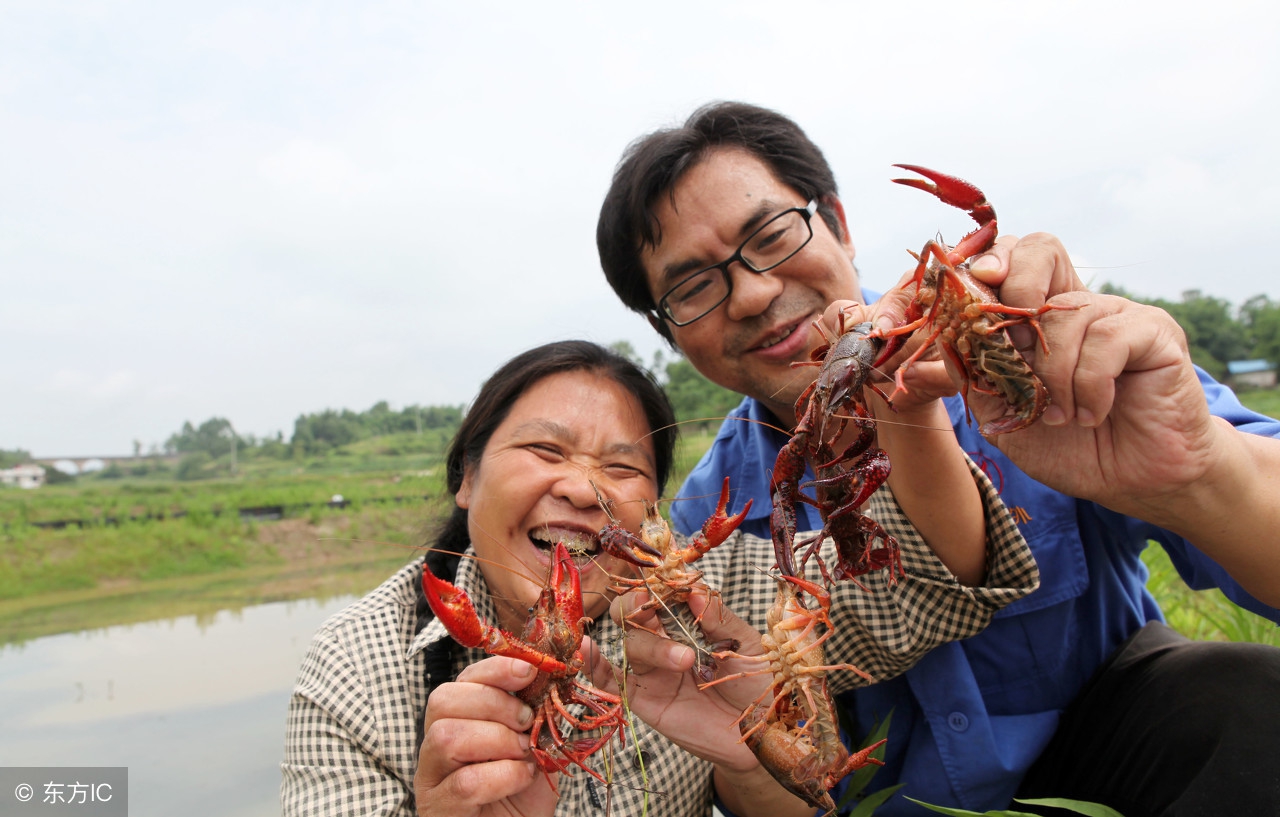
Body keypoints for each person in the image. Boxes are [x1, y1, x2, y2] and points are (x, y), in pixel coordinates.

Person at [596, 101, 1280, 816]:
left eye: (771, 234)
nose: (755, 292)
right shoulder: (710, 519)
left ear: (839, 225)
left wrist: (1201, 473)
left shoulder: (1034, 354)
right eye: (693, 286)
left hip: (1123, 743)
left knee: (1243, 694)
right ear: (665, 330)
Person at [280, 340, 1039, 817]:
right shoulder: (358, 664)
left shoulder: (709, 593)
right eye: (545, 450)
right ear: (467, 479)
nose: (583, 487)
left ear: (653, 507)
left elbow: (935, 585)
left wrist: (754, 759)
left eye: (621, 466)